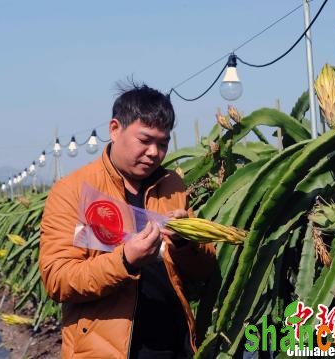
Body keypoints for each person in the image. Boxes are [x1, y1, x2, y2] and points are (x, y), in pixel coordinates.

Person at [39, 84, 216, 358]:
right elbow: (58, 279)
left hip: (176, 345)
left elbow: (204, 270)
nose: (154, 152)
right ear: (114, 129)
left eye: (163, 143)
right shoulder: (72, 191)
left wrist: (185, 243)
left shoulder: (172, 185)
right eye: (144, 140)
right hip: (108, 350)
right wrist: (125, 261)